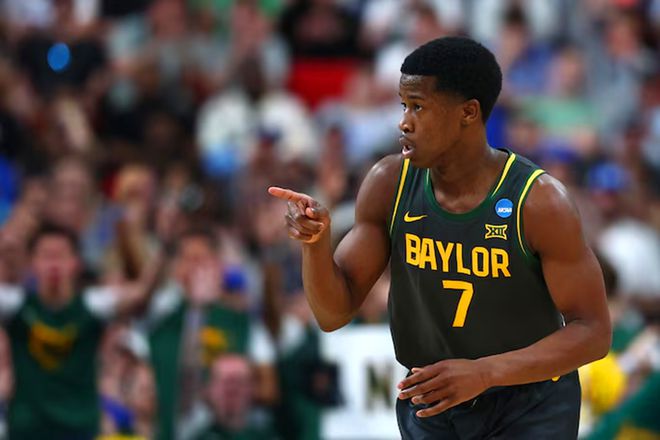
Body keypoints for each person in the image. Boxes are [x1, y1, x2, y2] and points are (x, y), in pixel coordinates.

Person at [268, 36, 611, 439]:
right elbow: (332, 313)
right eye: (403, 105)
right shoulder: (389, 184)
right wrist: (315, 246)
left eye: (418, 106)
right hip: (432, 398)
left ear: (468, 112)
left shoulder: (538, 201)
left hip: (528, 403)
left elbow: (593, 332)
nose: (404, 122)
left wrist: (485, 372)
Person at [0, 222, 163, 439]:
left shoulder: (92, 306)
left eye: (60, 256)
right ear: (32, 262)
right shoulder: (16, 306)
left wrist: (164, 249)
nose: (53, 265)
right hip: (27, 429)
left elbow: (141, 294)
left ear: (75, 262)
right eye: (46, 256)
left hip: (78, 428)